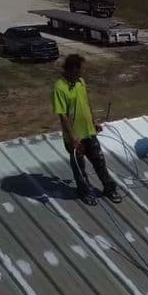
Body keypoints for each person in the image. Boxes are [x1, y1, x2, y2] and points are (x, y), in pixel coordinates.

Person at [53, 54, 120, 205]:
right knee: (80, 167)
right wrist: (72, 138)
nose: (81, 74)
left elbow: (86, 102)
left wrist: (93, 121)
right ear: (72, 69)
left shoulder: (80, 82)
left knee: (99, 161)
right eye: (79, 70)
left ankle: (109, 189)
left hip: (89, 131)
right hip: (75, 137)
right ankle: (85, 192)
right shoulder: (60, 88)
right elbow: (62, 116)